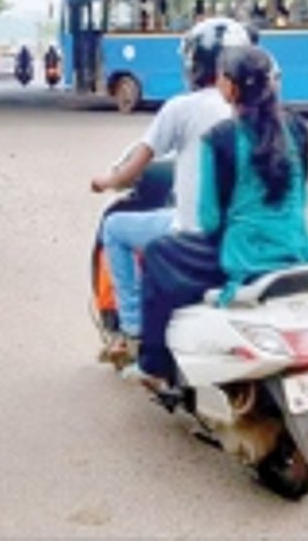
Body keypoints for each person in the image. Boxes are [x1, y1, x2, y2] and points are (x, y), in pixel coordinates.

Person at [130, 44, 308, 388]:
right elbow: (303, 196)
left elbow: (211, 220)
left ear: (228, 87)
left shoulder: (221, 138)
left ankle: (153, 363)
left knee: (159, 253)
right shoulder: (299, 128)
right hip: (298, 249)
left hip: (244, 257)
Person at [90, 18, 251, 362]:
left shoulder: (182, 107)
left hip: (196, 236)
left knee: (114, 228)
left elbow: (136, 164)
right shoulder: (260, 111)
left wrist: (107, 180)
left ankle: (132, 331)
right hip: (253, 237)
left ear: (196, 63)